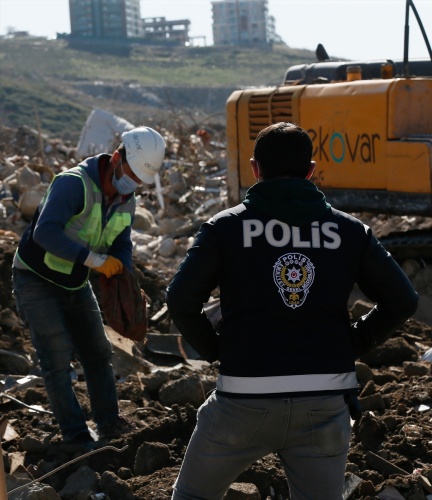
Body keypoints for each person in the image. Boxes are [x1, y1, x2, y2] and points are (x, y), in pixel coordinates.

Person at [165, 122, 418, 500]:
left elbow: (181, 299)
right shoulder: (349, 231)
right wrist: (350, 344)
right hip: (324, 403)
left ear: (255, 169)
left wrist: (219, 350)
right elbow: (403, 299)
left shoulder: (225, 228)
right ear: (311, 170)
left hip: (243, 399)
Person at [12, 126, 166, 447]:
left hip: (74, 280)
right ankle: (76, 435)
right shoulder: (74, 184)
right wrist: (93, 260)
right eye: (132, 174)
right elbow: (45, 232)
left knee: (97, 351)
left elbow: (122, 240)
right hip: (36, 278)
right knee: (55, 357)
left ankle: (109, 422)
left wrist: (121, 266)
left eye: (140, 179)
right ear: (115, 158)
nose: (134, 183)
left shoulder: (127, 199)